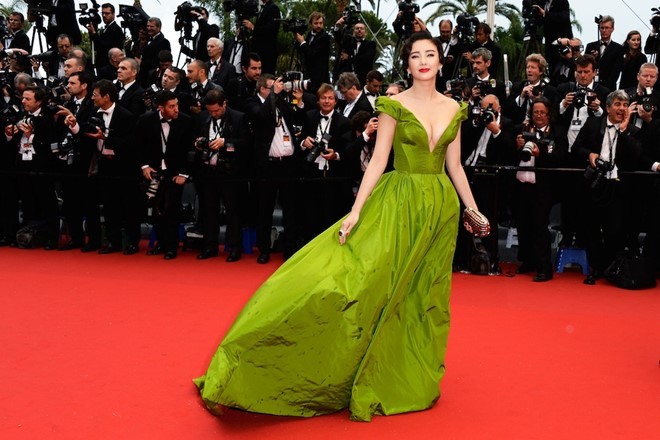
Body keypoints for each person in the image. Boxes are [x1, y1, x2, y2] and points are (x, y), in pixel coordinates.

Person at [194, 31, 486, 422]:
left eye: (430, 54)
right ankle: (332, 362)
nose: (423, 61)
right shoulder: (394, 105)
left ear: (440, 60)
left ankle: (409, 369)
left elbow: (455, 166)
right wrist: (356, 211)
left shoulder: (454, 108)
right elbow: (379, 160)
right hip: (398, 202)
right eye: (415, 55)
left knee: (423, 293)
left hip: (439, 209)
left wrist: (473, 209)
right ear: (407, 63)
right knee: (366, 281)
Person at [137, 90, 195, 260]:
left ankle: (171, 246)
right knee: (156, 210)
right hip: (153, 172)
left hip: (175, 173)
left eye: (177, 105)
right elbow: (138, 145)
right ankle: (161, 243)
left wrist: (184, 174)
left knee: (172, 209)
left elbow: (189, 151)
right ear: (160, 108)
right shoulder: (145, 120)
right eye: (171, 106)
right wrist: (144, 166)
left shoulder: (186, 121)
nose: (176, 109)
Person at [294, 11, 332, 93]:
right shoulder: (309, 34)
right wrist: (298, 40)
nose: (319, 25)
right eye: (316, 23)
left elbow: (313, 54)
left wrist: (302, 42)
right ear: (311, 24)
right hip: (308, 75)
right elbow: (302, 51)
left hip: (319, 78)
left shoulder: (324, 37)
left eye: (321, 23)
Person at [585, 15, 624, 92]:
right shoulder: (590, 46)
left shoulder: (618, 48)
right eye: (602, 28)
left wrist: (605, 89)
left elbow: (616, 72)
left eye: (607, 28)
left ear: (612, 29)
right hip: (591, 87)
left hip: (609, 89)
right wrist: (592, 58)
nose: (604, 30)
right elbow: (585, 65)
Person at [87, 3, 125, 70]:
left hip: (109, 66)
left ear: (113, 14)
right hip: (102, 66)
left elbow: (104, 47)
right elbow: (96, 47)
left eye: (107, 13)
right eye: (102, 13)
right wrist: (92, 33)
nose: (104, 15)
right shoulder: (106, 29)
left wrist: (94, 34)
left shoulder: (115, 29)